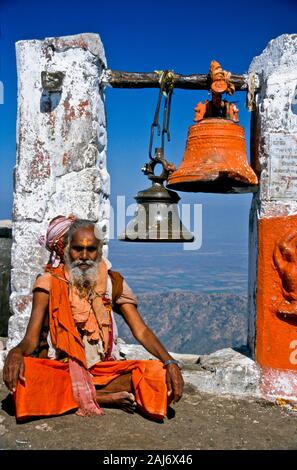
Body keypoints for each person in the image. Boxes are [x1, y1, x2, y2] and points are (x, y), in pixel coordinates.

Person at [3, 215, 184, 421]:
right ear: (67, 249)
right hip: (64, 370)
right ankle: (99, 397)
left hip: (103, 370)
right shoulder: (49, 283)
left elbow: (141, 330)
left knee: (160, 377)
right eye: (78, 248)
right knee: (22, 381)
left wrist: (170, 362)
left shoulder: (111, 282)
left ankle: (85, 394)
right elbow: (31, 339)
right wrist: (16, 353)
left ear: (99, 252)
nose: (84, 256)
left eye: (91, 250)